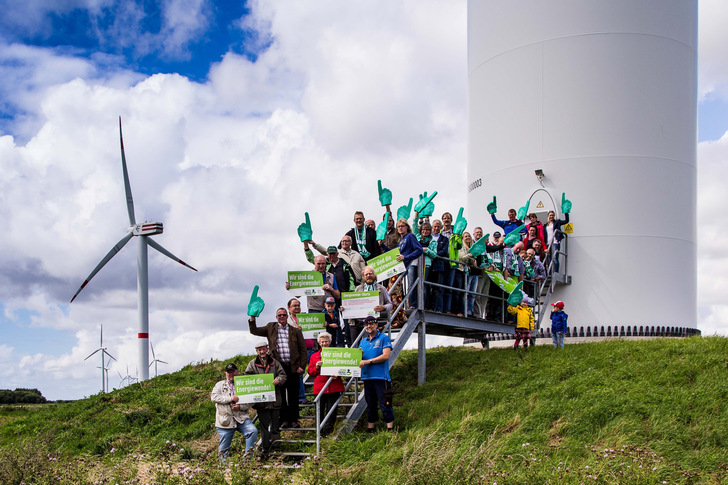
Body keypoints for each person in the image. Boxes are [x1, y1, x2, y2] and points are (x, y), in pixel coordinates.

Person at [248, 308, 307, 429]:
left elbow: (303, 350)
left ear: (287, 316)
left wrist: (301, 366)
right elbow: (254, 330)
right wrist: (252, 318)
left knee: (293, 395)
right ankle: (284, 420)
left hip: (293, 367)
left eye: (284, 315)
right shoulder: (271, 327)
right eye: (279, 315)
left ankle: (294, 420)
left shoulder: (295, 331)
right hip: (277, 368)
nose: (282, 317)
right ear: (276, 317)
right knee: (280, 396)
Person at [244, 342, 286, 457]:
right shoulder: (252, 364)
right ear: (256, 351)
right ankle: (265, 448)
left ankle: (276, 446)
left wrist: (279, 379)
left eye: (263, 349)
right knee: (264, 426)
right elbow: (247, 377)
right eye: (259, 350)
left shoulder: (274, 362)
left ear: (267, 349)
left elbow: (283, 375)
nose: (262, 352)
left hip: (275, 400)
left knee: (275, 426)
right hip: (261, 403)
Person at [211, 363, 258, 460]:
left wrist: (240, 407)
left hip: (241, 418)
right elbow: (214, 397)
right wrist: (230, 398)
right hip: (225, 420)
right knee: (224, 449)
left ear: (237, 372)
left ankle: (248, 462)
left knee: (252, 431)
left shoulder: (244, 383)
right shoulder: (219, 385)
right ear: (226, 373)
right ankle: (223, 469)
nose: (231, 374)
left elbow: (251, 401)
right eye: (229, 372)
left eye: (233, 371)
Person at [358, 316, 394, 432]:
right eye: (367, 325)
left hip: (381, 377)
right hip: (367, 377)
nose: (369, 326)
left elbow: (386, 356)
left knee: (385, 403)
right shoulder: (363, 341)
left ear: (376, 325)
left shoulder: (384, 338)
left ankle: (390, 429)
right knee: (370, 403)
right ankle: (371, 428)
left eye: (371, 324)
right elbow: (357, 358)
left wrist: (369, 361)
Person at [308, 332, 345, 436]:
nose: (324, 343)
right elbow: (310, 372)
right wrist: (316, 367)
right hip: (320, 387)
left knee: (331, 411)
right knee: (319, 411)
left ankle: (328, 432)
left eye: (326, 341)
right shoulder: (314, 356)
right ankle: (319, 432)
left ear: (330, 342)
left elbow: (343, 367)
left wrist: (338, 374)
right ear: (319, 343)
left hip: (334, 386)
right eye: (322, 341)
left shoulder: (336, 353)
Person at [349, 266, 394, 336]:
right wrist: (345, 307)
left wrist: (384, 307)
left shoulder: (381, 289)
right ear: (363, 277)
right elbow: (353, 304)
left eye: (370, 274)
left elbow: (390, 304)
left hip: (373, 321)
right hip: (359, 321)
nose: (368, 276)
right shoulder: (358, 288)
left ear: (374, 275)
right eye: (366, 274)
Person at [395, 218, 423, 308]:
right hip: (403, 266)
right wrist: (382, 246)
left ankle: (413, 305)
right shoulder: (400, 240)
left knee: (411, 285)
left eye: (402, 226)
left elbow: (419, 250)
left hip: (411, 264)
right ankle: (405, 306)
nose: (400, 228)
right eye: (398, 226)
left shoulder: (410, 236)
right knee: (402, 286)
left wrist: (406, 257)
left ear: (407, 227)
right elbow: (395, 253)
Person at [457, 232, 479, 317]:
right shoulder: (462, 246)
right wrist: (471, 255)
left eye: (468, 236)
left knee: (472, 293)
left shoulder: (472, 247)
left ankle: (469, 311)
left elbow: (475, 264)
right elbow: (461, 258)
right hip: (462, 271)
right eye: (465, 236)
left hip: (470, 271)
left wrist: (473, 260)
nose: (467, 238)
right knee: (465, 292)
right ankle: (464, 310)